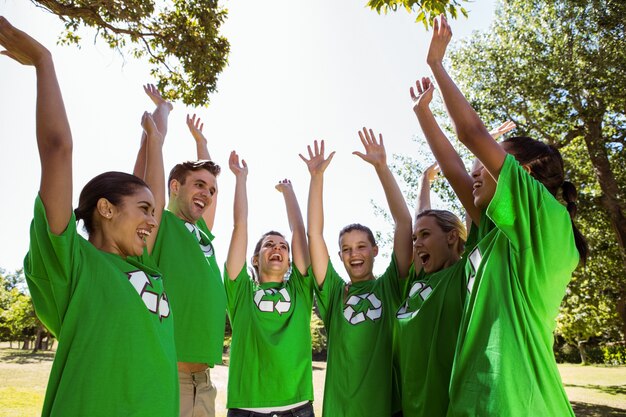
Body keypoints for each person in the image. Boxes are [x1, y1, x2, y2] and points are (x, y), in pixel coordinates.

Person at [1, 17, 178, 416]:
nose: (154, 219)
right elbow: (58, 149)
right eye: (145, 210)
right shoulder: (73, 262)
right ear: (105, 208)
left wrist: (158, 125)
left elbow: (149, 183)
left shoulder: (144, 268)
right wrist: (44, 62)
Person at [413, 15, 588, 417]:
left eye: (488, 163)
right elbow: (458, 169)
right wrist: (423, 114)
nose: (477, 169)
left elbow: (472, 133)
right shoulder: (494, 232)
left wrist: (437, 66)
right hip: (476, 401)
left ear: (521, 176)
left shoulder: (547, 218)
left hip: (521, 404)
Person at [302, 131, 413, 417]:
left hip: (386, 409)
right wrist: (317, 179)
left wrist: (382, 168)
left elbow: (403, 223)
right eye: (347, 249)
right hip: (341, 410)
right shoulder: (335, 292)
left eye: (362, 246)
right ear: (340, 256)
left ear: (375, 250)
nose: (354, 254)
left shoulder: (390, 287)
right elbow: (314, 234)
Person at [133, 94, 226, 417]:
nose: (207, 194)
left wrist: (202, 144)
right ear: (175, 187)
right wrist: (163, 114)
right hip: (171, 373)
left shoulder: (203, 234)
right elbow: (149, 182)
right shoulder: (160, 223)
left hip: (205, 380)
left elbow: (209, 189)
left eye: (212, 190)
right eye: (198, 185)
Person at [224, 151, 314, 416]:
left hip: (297, 407)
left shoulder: (300, 290)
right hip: (247, 407)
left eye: (283, 247)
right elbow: (239, 226)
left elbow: (300, 233)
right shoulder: (240, 290)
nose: (278, 248)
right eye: (269, 245)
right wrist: (241, 179)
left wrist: (289, 192)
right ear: (254, 258)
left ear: (289, 260)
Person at [394, 162, 468, 417]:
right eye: (415, 238)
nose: (416, 243)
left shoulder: (464, 274)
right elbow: (421, 215)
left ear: (451, 237)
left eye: (425, 235)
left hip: (445, 407)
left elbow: (472, 202)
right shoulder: (417, 279)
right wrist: (424, 180)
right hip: (408, 406)